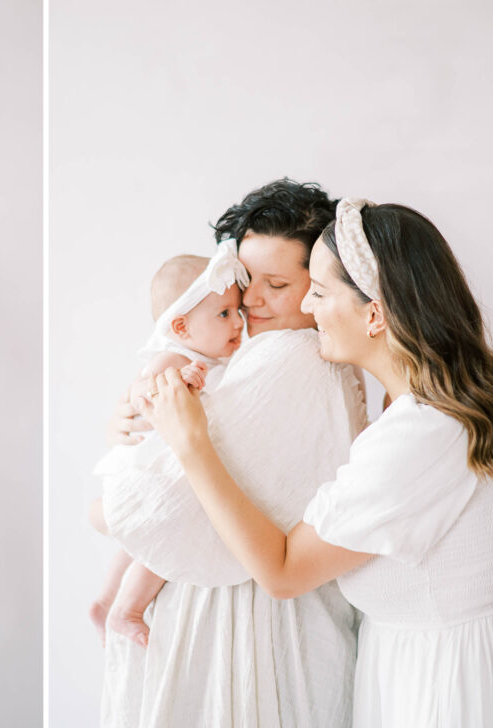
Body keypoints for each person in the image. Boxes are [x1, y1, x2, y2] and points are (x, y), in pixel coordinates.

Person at [142, 198, 493, 726]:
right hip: (424, 665)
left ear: (374, 314)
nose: (307, 307)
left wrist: (190, 443)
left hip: (449, 685)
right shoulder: (411, 410)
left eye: (318, 291)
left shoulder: (421, 434)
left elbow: (284, 572)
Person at [101, 178, 365, 728]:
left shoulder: (291, 357)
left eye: (276, 284)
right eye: (245, 280)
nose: (248, 300)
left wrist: (121, 464)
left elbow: (142, 507)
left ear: (319, 282)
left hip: (245, 626)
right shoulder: (281, 357)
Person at [89, 243, 246, 649]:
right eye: (225, 313)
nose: (238, 322)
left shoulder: (212, 361)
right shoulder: (173, 358)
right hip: (156, 469)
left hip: (168, 466)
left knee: (139, 543)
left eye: (238, 311)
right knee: (166, 537)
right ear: (181, 328)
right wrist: (178, 381)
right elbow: (141, 393)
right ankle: (127, 609)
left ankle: (105, 602)